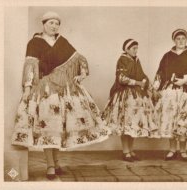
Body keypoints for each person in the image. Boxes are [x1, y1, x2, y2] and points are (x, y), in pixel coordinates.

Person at [11, 11, 110, 180]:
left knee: (59, 128)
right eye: (51, 23)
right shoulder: (34, 43)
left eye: (57, 23)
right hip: (45, 91)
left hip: (64, 90)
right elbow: (30, 67)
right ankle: (50, 165)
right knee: (48, 126)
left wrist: (82, 74)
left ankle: (56, 163)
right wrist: (27, 88)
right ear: (43, 24)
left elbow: (80, 59)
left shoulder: (62, 42)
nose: (54, 26)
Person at [102, 39, 158, 162]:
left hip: (137, 97)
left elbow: (142, 75)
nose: (136, 50)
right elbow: (121, 78)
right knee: (126, 123)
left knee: (134, 124)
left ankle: (131, 150)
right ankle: (125, 151)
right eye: (134, 48)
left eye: (137, 48)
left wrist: (151, 88)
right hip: (125, 96)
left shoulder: (136, 60)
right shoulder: (122, 60)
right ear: (126, 49)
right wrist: (137, 83)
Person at [152, 29, 187, 161]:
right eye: (178, 39)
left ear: (186, 40)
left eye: (183, 38)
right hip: (170, 92)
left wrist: (185, 80)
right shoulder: (167, 56)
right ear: (174, 40)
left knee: (183, 120)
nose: (181, 41)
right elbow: (160, 73)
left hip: (185, 92)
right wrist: (155, 88)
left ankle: (183, 150)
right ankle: (172, 150)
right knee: (171, 119)